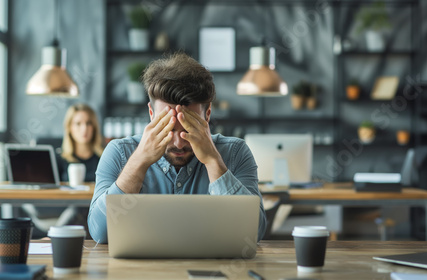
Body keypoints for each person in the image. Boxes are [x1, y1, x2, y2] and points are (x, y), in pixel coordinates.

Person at [88, 52, 266, 243]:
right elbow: (100, 232)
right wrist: (139, 161)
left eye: (190, 128)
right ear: (151, 113)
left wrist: (213, 162)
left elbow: (254, 232)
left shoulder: (235, 153)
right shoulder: (119, 152)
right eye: (168, 127)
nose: (179, 143)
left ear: (207, 114)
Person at [23, 103, 104, 234]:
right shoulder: (59, 158)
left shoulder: (104, 158)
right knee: (79, 208)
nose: (84, 129)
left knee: (82, 207)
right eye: (78, 124)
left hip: (95, 212)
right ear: (70, 128)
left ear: (94, 127)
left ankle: (52, 238)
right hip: (62, 211)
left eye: (88, 123)